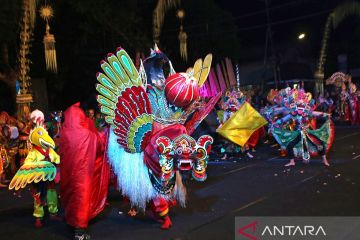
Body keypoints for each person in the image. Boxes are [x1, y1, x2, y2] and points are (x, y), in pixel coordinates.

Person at [60, 103, 110, 240]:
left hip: (69, 174)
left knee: (71, 197)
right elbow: (101, 145)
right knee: (82, 198)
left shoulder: (63, 133)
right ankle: (80, 232)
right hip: (83, 176)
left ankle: (72, 222)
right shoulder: (87, 134)